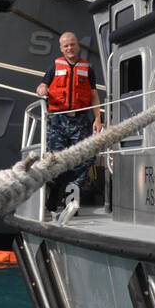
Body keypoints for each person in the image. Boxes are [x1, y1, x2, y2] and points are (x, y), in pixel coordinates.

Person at [36, 31, 102, 214]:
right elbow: (42, 85)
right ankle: (54, 194)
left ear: (77, 45)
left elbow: (94, 95)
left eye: (72, 44)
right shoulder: (54, 67)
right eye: (66, 46)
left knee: (85, 159)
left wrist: (97, 118)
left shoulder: (87, 68)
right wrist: (42, 90)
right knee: (55, 160)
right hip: (58, 121)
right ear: (61, 48)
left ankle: (70, 198)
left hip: (80, 120)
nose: (69, 48)